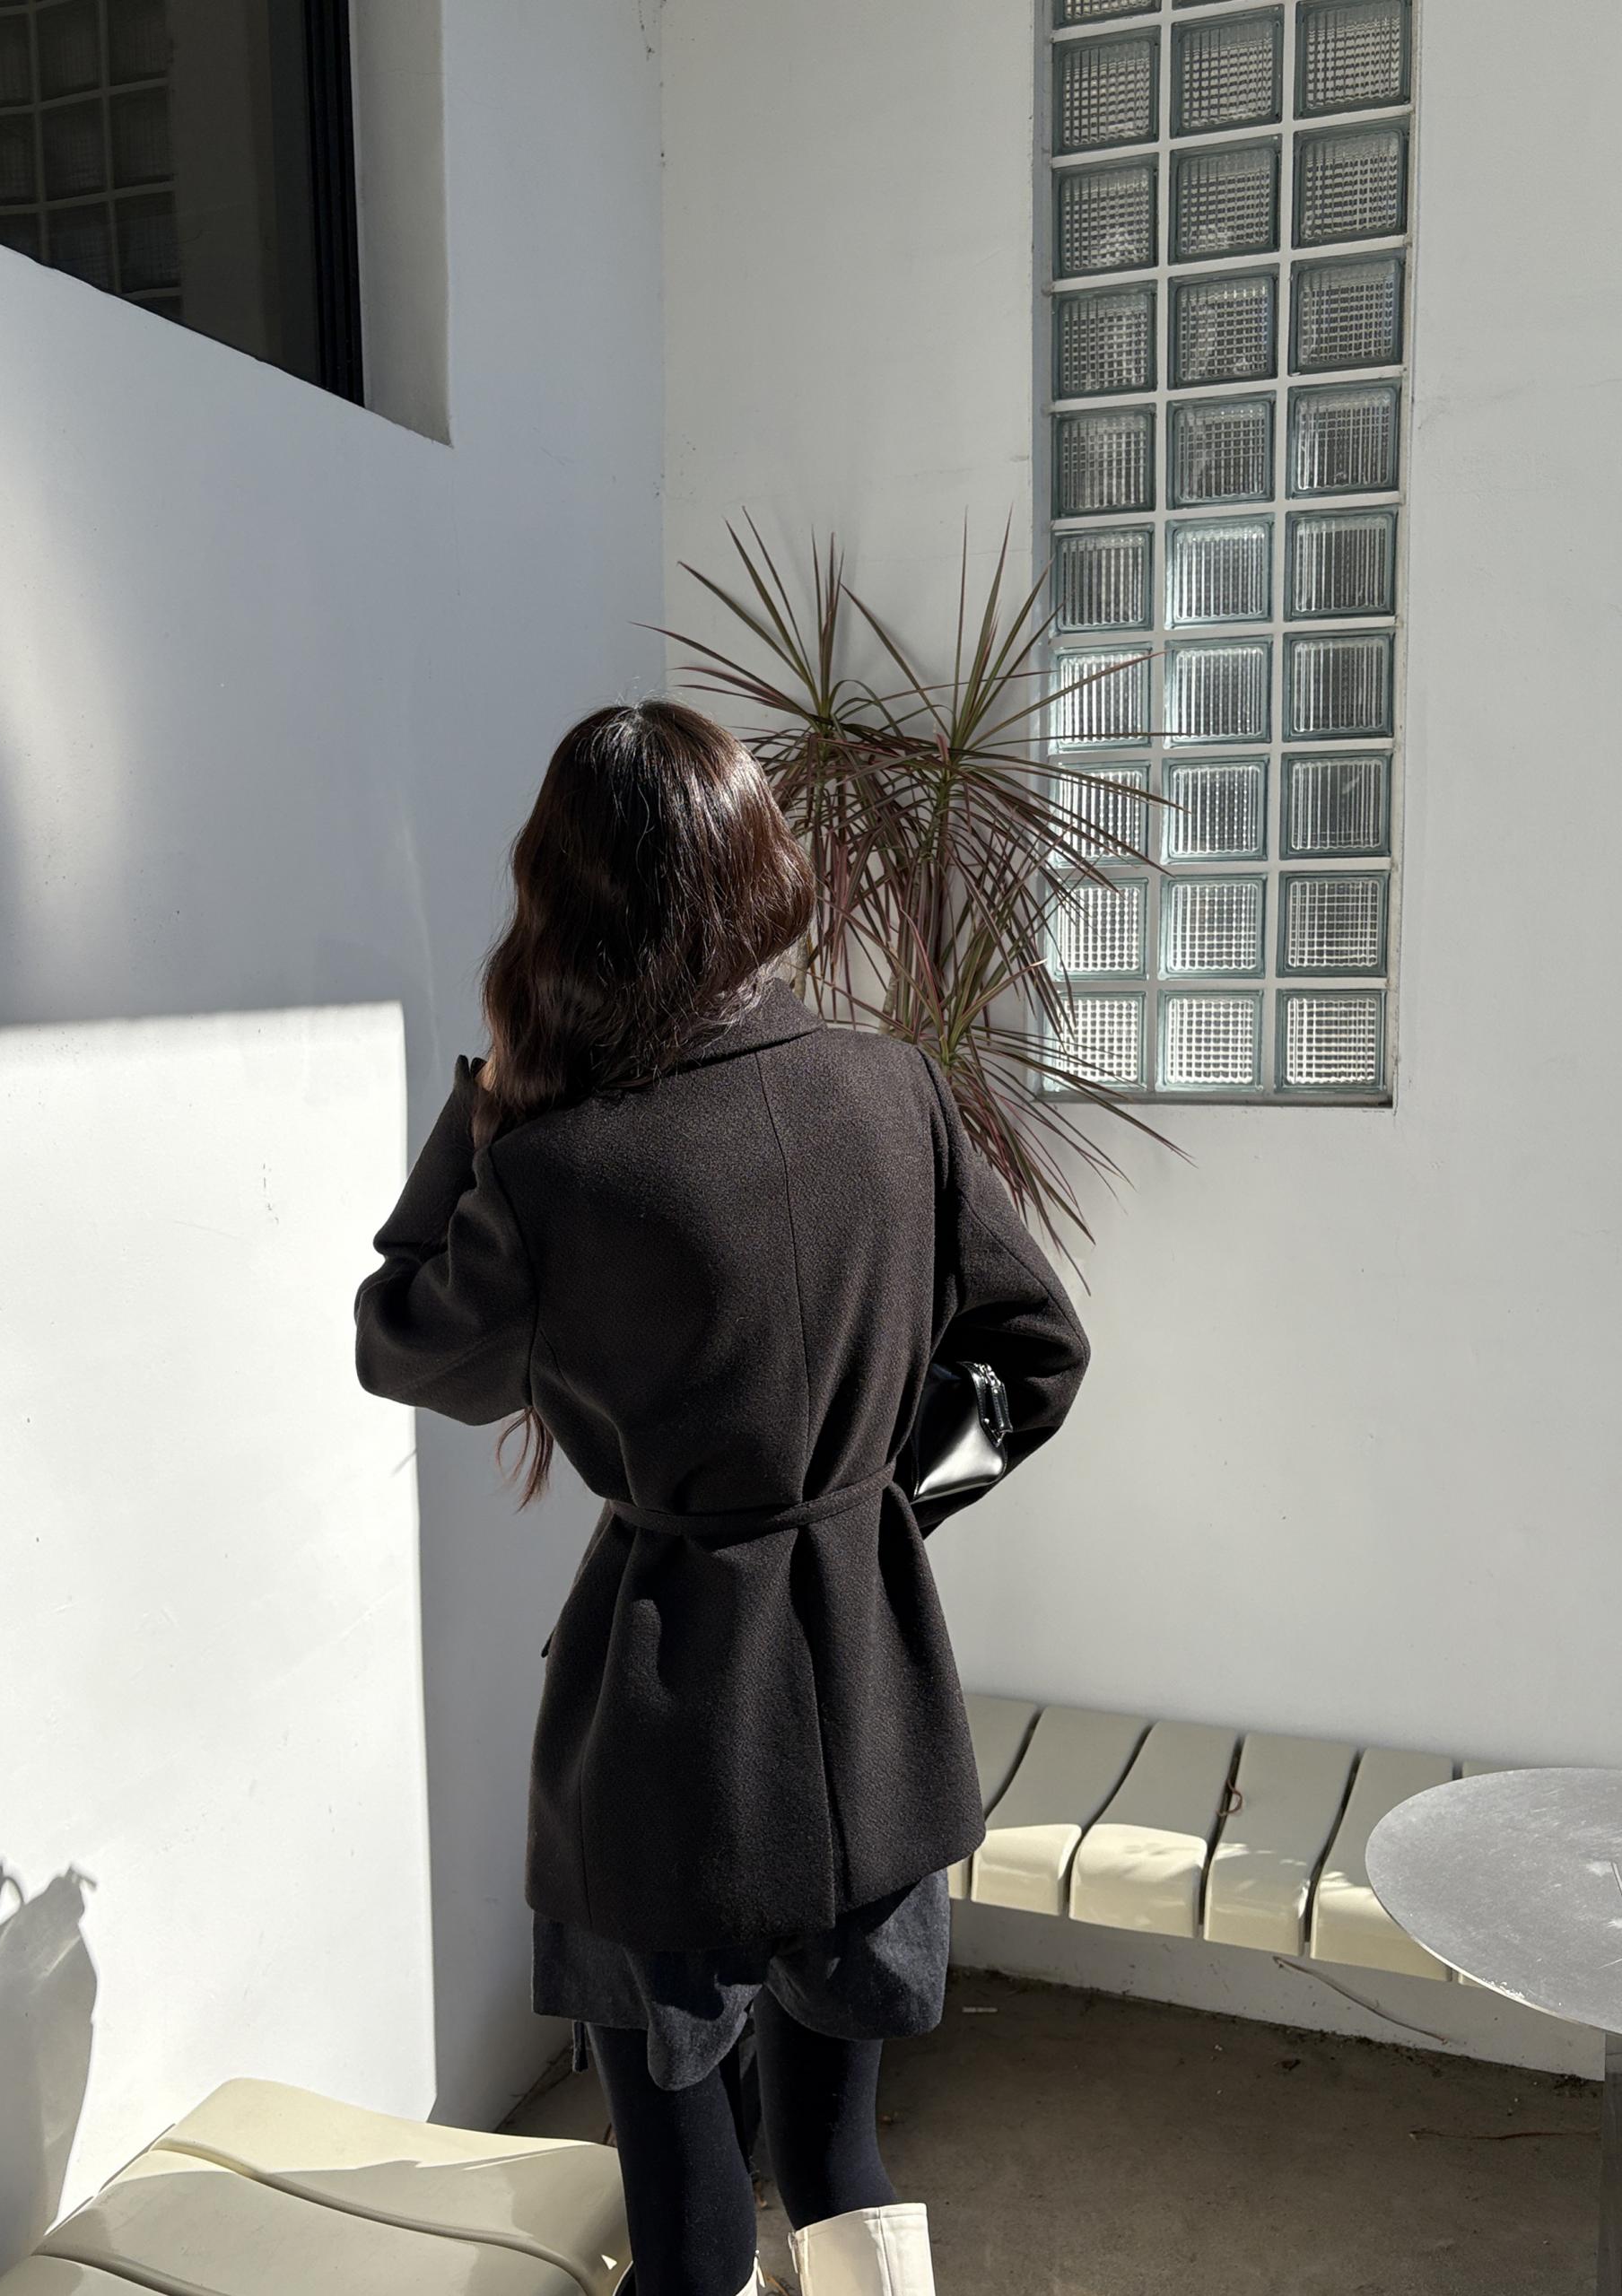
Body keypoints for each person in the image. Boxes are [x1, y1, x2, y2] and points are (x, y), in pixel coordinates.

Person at [352, 697, 1091, 2296]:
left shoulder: (554, 1169)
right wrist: (882, 1507)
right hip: (873, 1706)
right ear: (759, 864)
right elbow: (1038, 1358)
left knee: (687, 2226)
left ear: (567, 897)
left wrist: (475, 1117)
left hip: (663, 1739)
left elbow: (401, 1342)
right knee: (839, 2164)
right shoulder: (897, 1091)